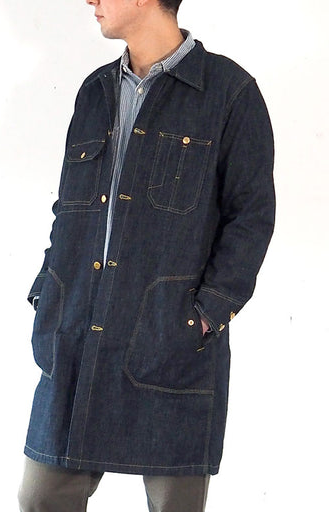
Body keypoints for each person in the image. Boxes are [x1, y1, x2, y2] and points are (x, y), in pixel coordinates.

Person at [18, 0, 275, 510]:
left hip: (168, 338)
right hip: (77, 333)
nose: (90, 1)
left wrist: (207, 314)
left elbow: (250, 216)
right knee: (41, 498)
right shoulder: (95, 91)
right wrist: (48, 290)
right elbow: (69, 206)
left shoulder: (229, 92)